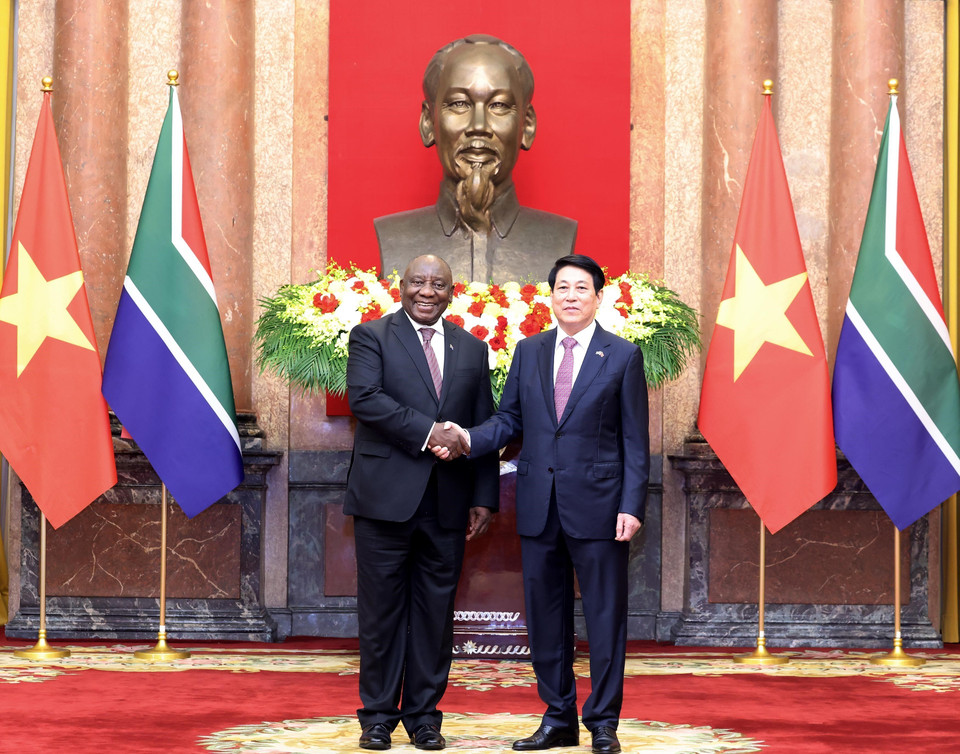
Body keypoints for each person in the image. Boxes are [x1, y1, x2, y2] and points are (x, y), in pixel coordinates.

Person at [436, 254, 649, 753]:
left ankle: (603, 723)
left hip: (600, 506)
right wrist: (466, 437)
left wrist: (632, 504)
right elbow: (509, 421)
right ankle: (558, 717)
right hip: (538, 505)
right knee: (546, 619)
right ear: (549, 296)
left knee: (604, 617)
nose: (570, 296)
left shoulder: (622, 356)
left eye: (581, 288)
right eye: (562, 288)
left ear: (599, 297)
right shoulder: (529, 352)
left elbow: (635, 441)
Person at [344, 254, 499, 751]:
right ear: (401, 286)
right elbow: (364, 399)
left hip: (449, 503)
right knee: (381, 613)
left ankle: (425, 716)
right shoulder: (372, 337)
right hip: (384, 499)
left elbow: (483, 424)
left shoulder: (473, 349)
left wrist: (484, 497)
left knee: (435, 614)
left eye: (438, 283)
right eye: (418, 282)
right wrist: (430, 432)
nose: (427, 291)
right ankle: (377, 717)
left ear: (452, 292)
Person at [376, 34, 577, 285]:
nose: (479, 126)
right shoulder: (393, 236)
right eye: (459, 104)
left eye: (499, 105)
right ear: (428, 123)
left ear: (526, 126)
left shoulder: (559, 237)